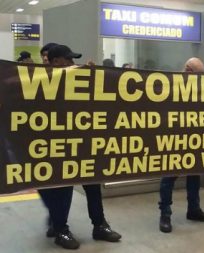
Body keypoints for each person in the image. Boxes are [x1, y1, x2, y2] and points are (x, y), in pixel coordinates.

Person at [41, 44, 122, 250]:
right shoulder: (41, 81)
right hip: (59, 145)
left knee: (93, 184)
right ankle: (60, 229)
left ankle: (99, 225)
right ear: (55, 61)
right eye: (67, 60)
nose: (72, 63)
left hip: (83, 144)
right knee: (63, 189)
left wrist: (93, 76)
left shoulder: (77, 78)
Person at [159, 58, 204, 233]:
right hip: (176, 138)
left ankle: (194, 209)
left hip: (194, 137)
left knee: (194, 175)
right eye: (199, 74)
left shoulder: (199, 86)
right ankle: (165, 214)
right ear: (189, 71)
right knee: (169, 177)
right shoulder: (172, 85)